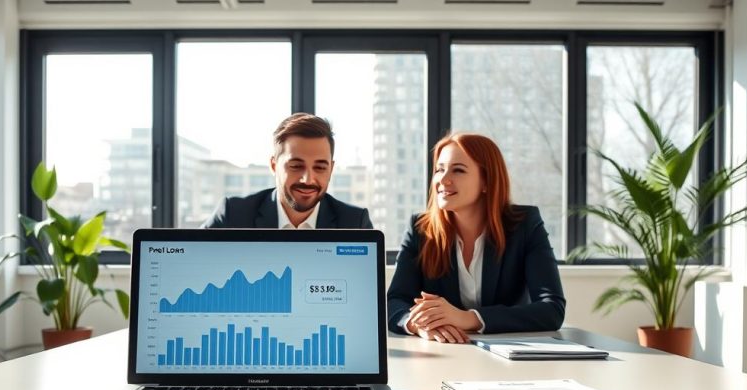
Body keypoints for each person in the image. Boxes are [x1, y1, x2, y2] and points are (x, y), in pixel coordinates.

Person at [387, 133, 566, 343]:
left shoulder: (525, 225)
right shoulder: (420, 229)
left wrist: (467, 318)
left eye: (458, 170)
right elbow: (394, 302)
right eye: (439, 169)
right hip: (445, 351)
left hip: (510, 351)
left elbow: (552, 309)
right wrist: (417, 324)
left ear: (486, 181)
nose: (443, 180)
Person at [201, 113, 373, 230]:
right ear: (274, 166)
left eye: (320, 167)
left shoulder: (355, 223)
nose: (308, 179)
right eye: (296, 166)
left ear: (331, 169)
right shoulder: (233, 215)